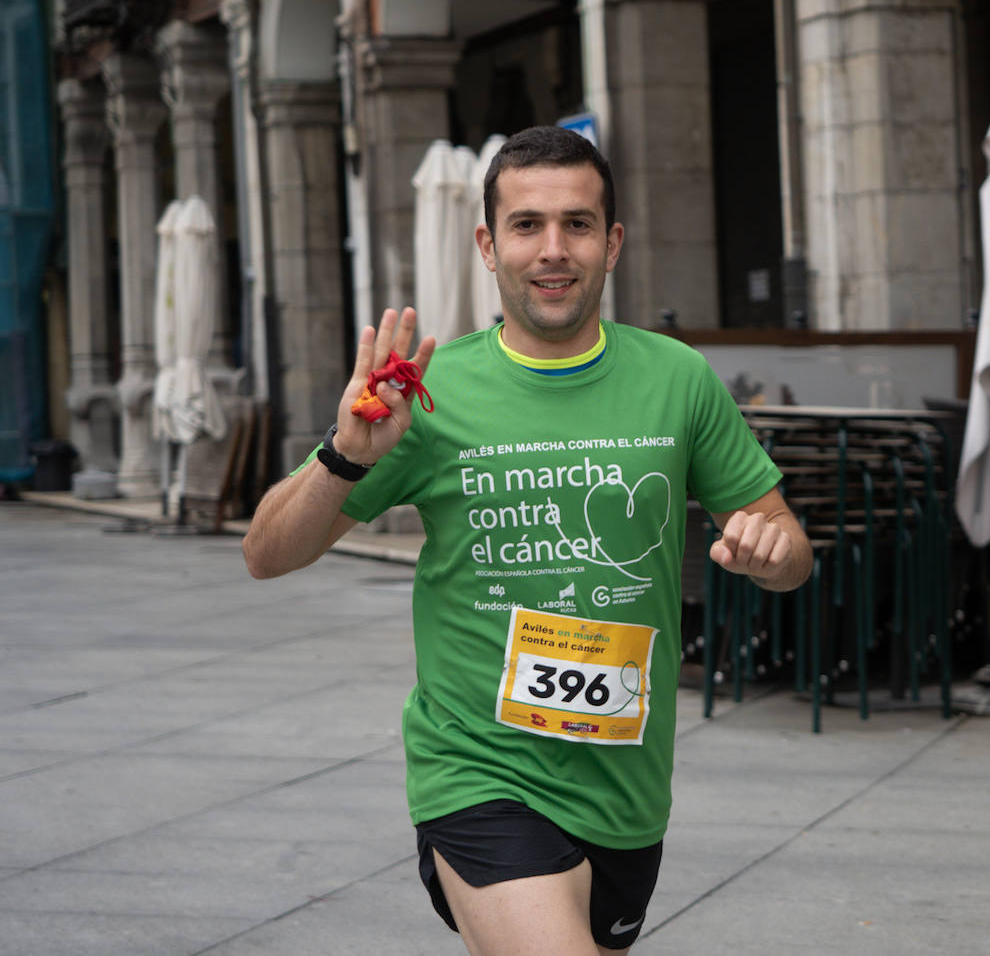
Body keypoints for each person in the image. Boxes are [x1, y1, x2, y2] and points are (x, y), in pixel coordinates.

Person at [243, 125, 811, 955]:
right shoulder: (427, 394)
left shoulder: (678, 378)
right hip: (477, 770)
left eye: (578, 224)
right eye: (527, 225)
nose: (554, 249)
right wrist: (344, 456)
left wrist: (772, 552)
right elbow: (267, 551)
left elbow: (791, 551)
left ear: (612, 243)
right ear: (487, 243)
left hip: (626, 785)